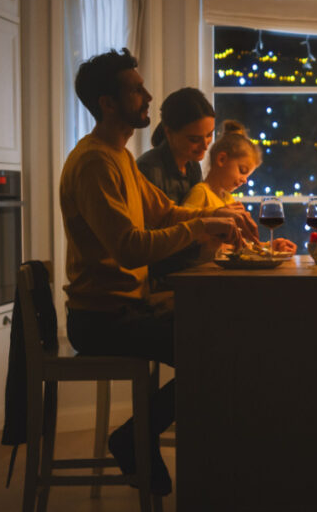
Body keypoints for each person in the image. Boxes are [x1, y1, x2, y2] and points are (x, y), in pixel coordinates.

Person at [59, 48, 257, 495]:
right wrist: (202, 225)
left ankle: (214, 463)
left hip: (129, 308)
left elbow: (166, 213)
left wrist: (220, 217)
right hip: (102, 318)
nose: (148, 96)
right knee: (213, 356)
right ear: (108, 103)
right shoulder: (94, 163)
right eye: (136, 89)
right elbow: (129, 249)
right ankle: (135, 439)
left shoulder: (120, 157)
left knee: (224, 342)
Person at [183, 119, 297, 254]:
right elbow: (183, 233)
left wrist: (268, 247)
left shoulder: (229, 200)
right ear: (222, 159)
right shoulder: (201, 193)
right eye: (242, 170)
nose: (245, 180)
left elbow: (239, 247)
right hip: (202, 272)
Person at [136, 87, 215, 204]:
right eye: (194, 139)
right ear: (169, 133)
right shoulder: (149, 170)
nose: (205, 146)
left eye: (209, 135)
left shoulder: (193, 166)